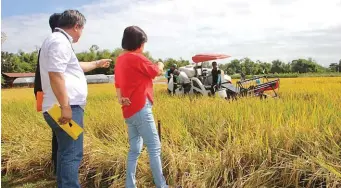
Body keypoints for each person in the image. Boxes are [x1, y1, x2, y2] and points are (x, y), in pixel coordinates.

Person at [39, 9, 112, 187]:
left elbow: (74, 67)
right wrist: (65, 106)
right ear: (77, 26)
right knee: (72, 153)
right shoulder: (60, 42)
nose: (81, 33)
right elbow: (55, 74)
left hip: (58, 107)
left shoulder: (55, 41)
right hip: (63, 108)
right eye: (82, 29)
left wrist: (96, 63)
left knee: (65, 152)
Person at [114, 26, 168, 188]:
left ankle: (130, 185)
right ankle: (162, 185)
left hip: (128, 111)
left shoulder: (120, 60)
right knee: (154, 147)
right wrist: (160, 64)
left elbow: (117, 84)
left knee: (134, 150)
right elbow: (155, 72)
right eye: (143, 43)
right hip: (140, 108)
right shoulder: (137, 58)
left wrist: (120, 99)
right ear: (140, 43)